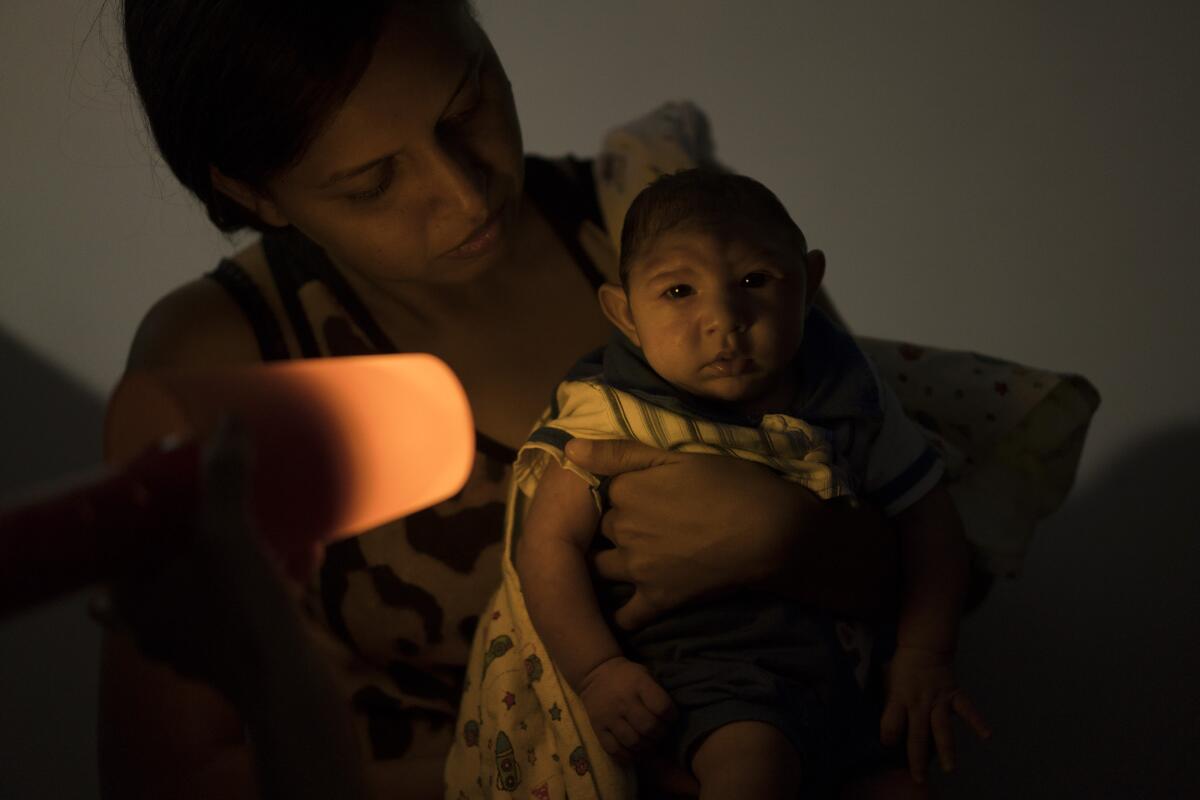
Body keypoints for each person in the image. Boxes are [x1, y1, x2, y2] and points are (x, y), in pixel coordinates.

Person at [104, 2, 1097, 798]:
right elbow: (180, 772)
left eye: (468, 103)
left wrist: (795, 540)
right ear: (258, 192)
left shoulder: (659, 225)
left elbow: (940, 566)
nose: (464, 191)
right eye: (371, 181)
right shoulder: (224, 361)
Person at [447, 169, 991, 799]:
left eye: (756, 281)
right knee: (752, 774)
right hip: (713, 678)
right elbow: (545, 548)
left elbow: (931, 520)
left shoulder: (849, 395)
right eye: (679, 290)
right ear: (625, 313)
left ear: (809, 283)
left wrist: (924, 654)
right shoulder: (612, 410)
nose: (725, 319)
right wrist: (598, 672)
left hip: (849, 677)